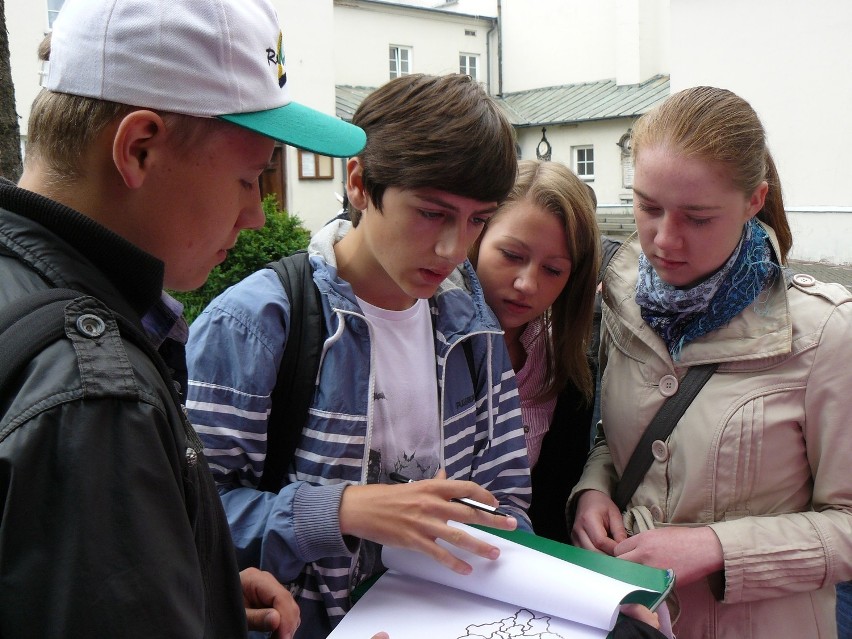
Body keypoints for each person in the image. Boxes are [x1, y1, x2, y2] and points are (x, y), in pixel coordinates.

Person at [0, 0, 371, 636]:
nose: (257, 214)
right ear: (140, 148)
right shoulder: (95, 397)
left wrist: (193, 584)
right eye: (250, 177)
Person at [185, 73, 533, 638]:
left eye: (477, 220)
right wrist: (342, 510)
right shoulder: (256, 324)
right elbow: (189, 518)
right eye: (431, 212)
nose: (453, 248)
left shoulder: (472, 324)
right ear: (360, 183)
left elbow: (505, 502)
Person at [569, 86, 852, 638]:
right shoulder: (622, 301)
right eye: (647, 207)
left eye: (698, 218)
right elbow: (615, 434)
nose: (664, 240)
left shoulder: (824, 335)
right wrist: (593, 488)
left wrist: (717, 547)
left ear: (754, 200)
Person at [467, 159, 599, 544]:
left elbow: (551, 508)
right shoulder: (423, 339)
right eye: (511, 255)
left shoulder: (567, 368)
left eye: (553, 270)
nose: (526, 283)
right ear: (476, 236)